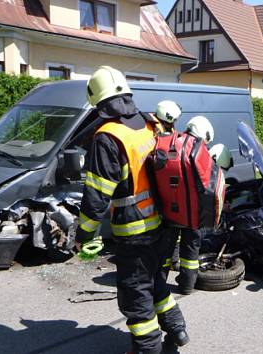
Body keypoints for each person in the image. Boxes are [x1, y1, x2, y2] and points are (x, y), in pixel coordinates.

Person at [76, 66, 188, 354]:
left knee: (135, 294)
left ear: (97, 100)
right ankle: (177, 328)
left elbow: (96, 197)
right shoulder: (150, 124)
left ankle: (147, 348)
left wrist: (84, 234)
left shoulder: (108, 137)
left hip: (135, 233)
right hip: (164, 225)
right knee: (154, 281)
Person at [161, 116, 215, 295]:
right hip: (192, 214)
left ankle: (158, 282)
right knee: (190, 252)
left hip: (169, 210)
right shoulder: (199, 149)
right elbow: (206, 184)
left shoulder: (170, 141)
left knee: (165, 250)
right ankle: (186, 286)